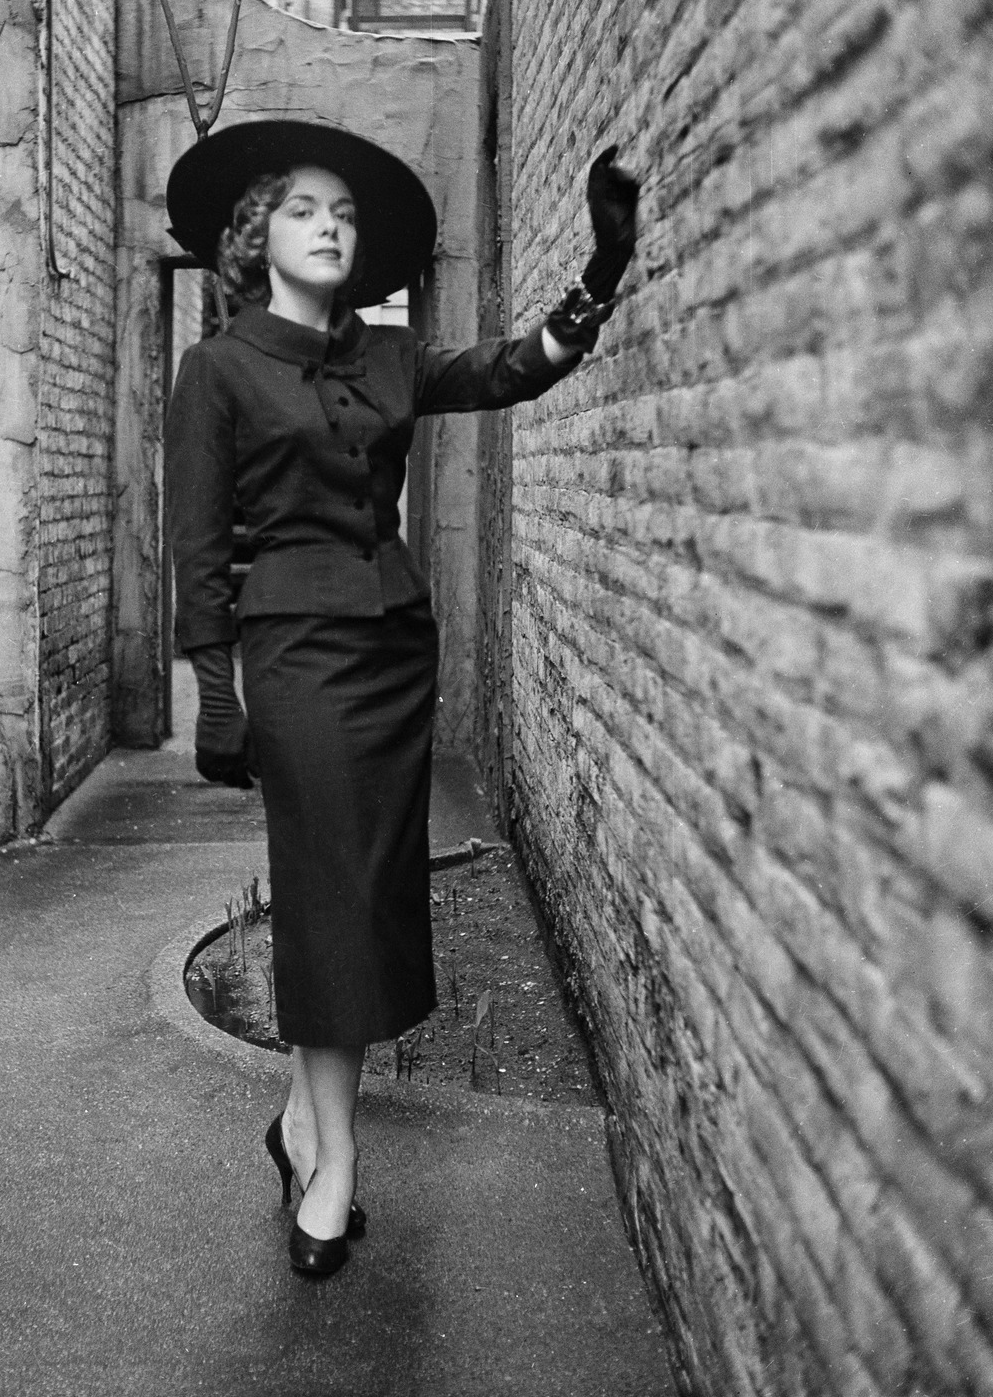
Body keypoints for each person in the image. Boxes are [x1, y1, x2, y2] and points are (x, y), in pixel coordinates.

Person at [164, 120, 638, 1278]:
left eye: (343, 215)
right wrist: (211, 691)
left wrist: (601, 272)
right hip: (293, 662)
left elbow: (509, 368)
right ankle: (334, 1168)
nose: (328, 227)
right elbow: (198, 540)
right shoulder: (217, 369)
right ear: (254, 237)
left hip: (388, 660)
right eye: (302, 211)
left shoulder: (388, 357)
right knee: (329, 900)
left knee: (361, 897)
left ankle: (296, 1124)